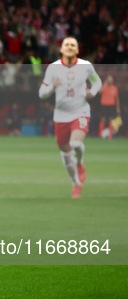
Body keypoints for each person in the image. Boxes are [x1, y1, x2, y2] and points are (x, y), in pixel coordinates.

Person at [39, 36, 102, 199]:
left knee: (75, 143)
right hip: (60, 116)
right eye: (66, 44)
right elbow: (42, 93)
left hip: (80, 111)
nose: (69, 47)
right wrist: (52, 86)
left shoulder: (86, 66)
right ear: (61, 49)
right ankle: (75, 183)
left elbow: (97, 82)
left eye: (72, 45)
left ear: (77, 49)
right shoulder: (53, 68)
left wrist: (93, 92)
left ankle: (80, 163)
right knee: (65, 153)